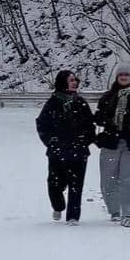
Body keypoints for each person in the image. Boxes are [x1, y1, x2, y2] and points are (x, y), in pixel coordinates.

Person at [94, 61, 130, 228]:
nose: (124, 77)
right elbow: (98, 118)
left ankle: (128, 213)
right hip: (110, 142)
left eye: (126, 75)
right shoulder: (107, 97)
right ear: (117, 77)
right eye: (121, 75)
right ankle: (114, 210)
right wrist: (109, 122)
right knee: (108, 179)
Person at [36, 70, 95, 226]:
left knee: (76, 185)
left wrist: (86, 140)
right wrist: (50, 141)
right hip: (58, 150)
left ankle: (73, 217)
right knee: (55, 184)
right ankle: (58, 206)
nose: (74, 82)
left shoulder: (81, 102)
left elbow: (90, 125)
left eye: (75, 79)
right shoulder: (53, 102)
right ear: (62, 82)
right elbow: (41, 124)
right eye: (71, 80)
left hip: (78, 150)